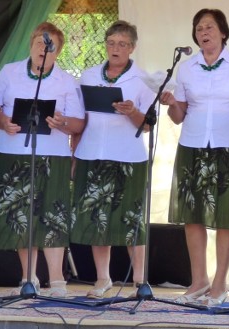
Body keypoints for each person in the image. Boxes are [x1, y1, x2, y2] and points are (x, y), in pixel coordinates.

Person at [160, 8, 229, 307]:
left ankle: (219, 284)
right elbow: (178, 116)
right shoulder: (187, 67)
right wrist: (170, 103)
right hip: (192, 147)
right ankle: (199, 280)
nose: (203, 32)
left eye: (209, 27)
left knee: (225, 217)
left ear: (222, 32)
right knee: (192, 217)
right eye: (198, 28)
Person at [0, 22, 85, 297]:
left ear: (58, 52)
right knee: (21, 215)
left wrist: (62, 122)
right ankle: (28, 278)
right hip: (13, 153)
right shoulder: (9, 73)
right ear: (30, 45)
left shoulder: (66, 81)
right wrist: (4, 122)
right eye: (40, 43)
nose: (44, 49)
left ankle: (57, 281)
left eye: (50, 45)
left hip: (52, 155)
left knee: (52, 215)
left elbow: (78, 124)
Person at [70, 20, 154, 299]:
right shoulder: (89, 75)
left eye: (122, 44)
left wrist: (131, 112)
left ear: (132, 47)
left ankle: (140, 281)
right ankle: (102, 278)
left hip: (128, 157)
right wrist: (73, 152)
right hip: (91, 153)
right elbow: (81, 120)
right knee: (97, 217)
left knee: (132, 219)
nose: (115, 48)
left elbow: (148, 125)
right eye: (111, 43)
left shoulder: (142, 79)